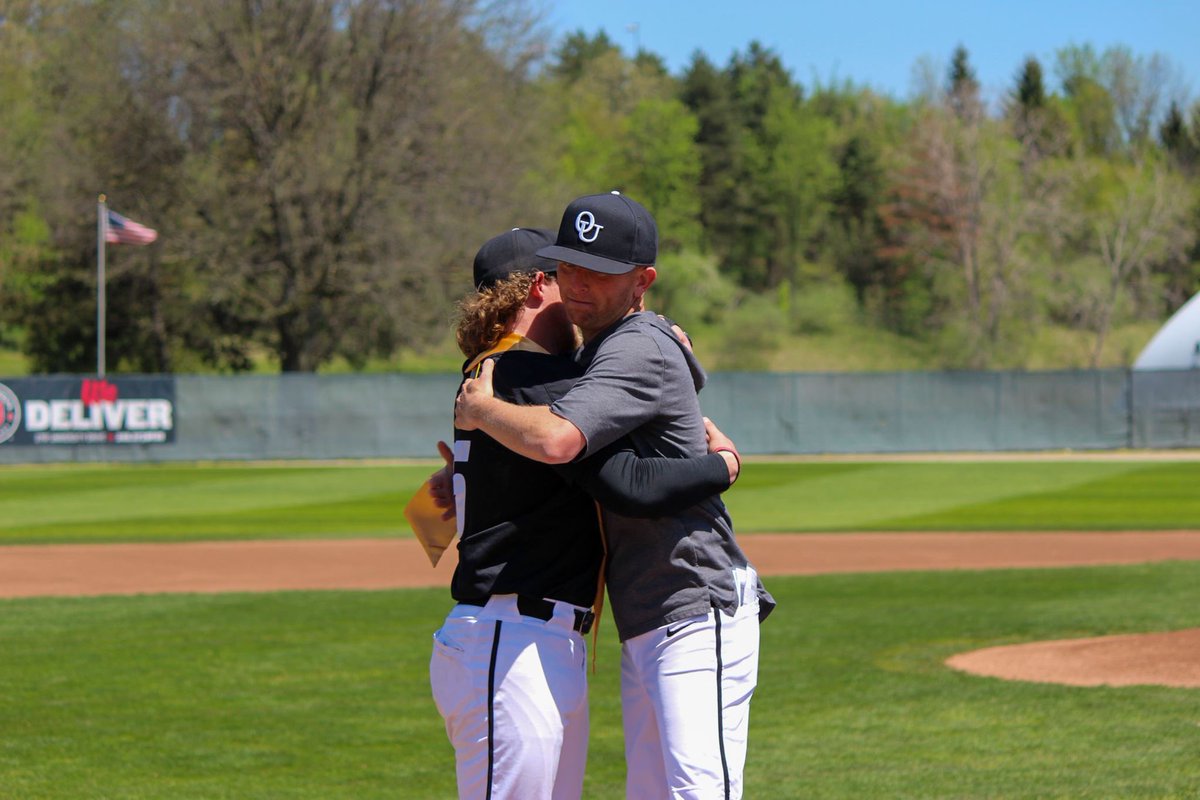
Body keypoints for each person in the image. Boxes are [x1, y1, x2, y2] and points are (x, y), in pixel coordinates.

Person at [455, 194, 775, 800]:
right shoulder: (586, 358)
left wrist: (724, 464)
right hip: (647, 612)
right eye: (566, 267)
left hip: (692, 594)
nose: (575, 285)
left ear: (642, 280)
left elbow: (610, 475)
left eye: (595, 272)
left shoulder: (601, 354)